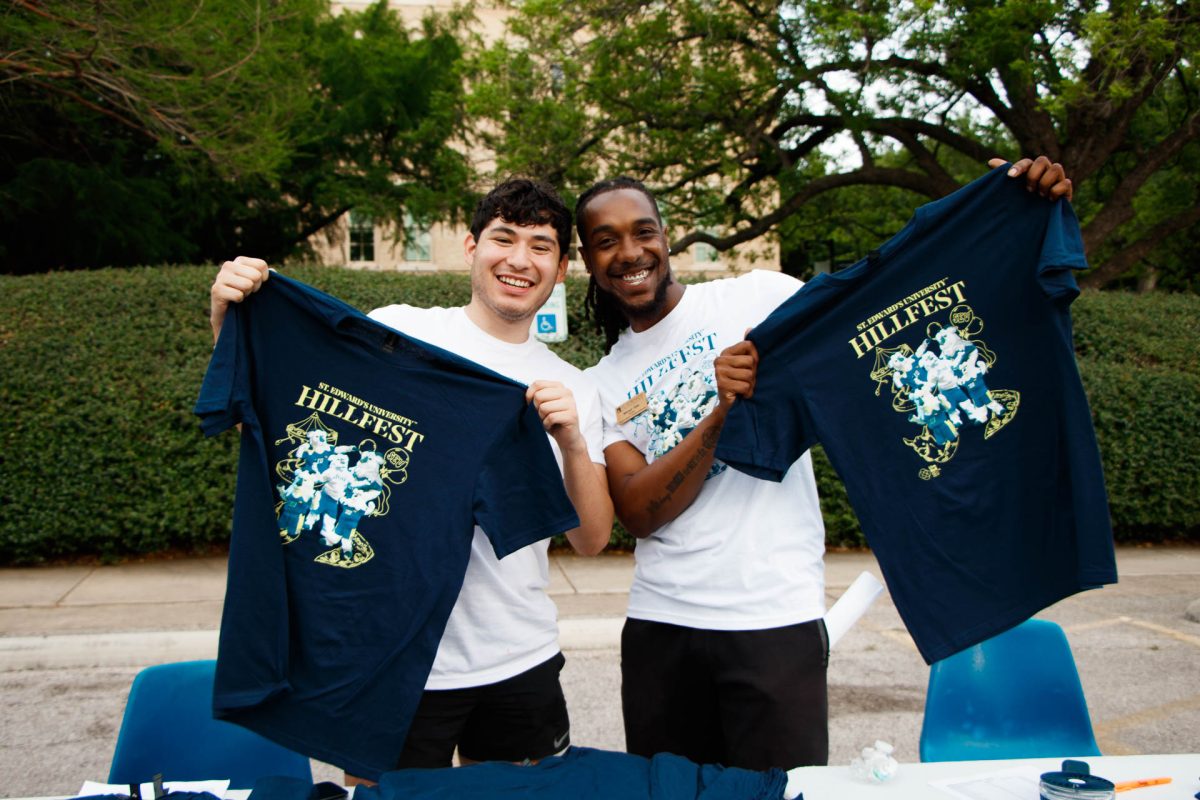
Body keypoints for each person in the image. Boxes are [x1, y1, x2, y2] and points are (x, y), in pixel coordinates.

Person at [574, 157, 1072, 771]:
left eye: (642, 231)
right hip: (660, 629)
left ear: (667, 237)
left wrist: (1007, 209)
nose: (630, 251)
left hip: (775, 616)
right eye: (606, 241)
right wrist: (720, 416)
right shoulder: (600, 383)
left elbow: (889, 299)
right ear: (588, 262)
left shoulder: (756, 297)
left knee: (785, 790)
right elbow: (639, 511)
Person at [209, 178, 614, 779]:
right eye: (504, 238)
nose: (519, 259)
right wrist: (231, 322)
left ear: (560, 270)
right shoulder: (399, 333)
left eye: (541, 246)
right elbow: (284, 422)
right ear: (471, 247)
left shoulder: (573, 387)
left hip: (517, 657)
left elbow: (592, 540)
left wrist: (573, 442)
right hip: (392, 657)